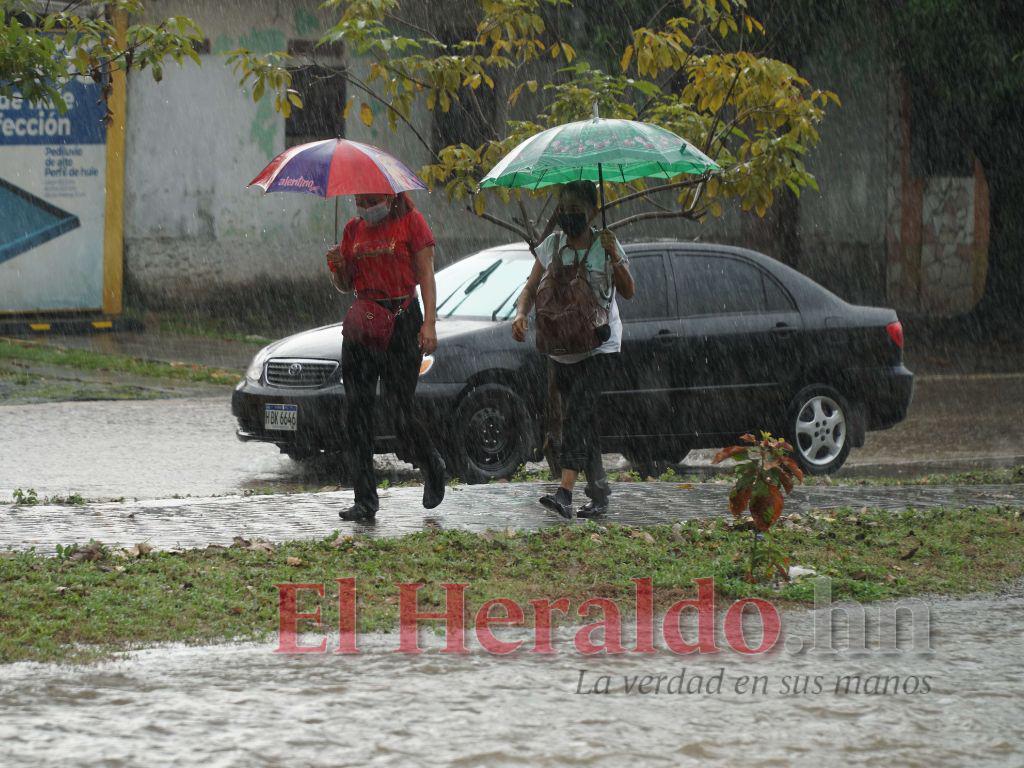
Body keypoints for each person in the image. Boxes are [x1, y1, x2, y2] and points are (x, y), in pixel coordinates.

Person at [512, 180, 636, 518]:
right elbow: (531, 286)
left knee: (579, 413)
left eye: (575, 211)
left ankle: (564, 492)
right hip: (562, 347)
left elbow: (629, 291)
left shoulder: (605, 244)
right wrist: (522, 314)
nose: (568, 217)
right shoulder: (552, 245)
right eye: (563, 210)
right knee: (582, 420)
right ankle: (598, 492)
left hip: (600, 345)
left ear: (593, 211)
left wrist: (614, 257)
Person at [325, 192, 446, 521]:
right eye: (360, 202)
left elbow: (426, 275)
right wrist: (337, 267)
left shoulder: (411, 222)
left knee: (400, 412)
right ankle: (365, 500)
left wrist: (430, 324)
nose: (365, 208)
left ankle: (432, 463)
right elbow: (345, 283)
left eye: (371, 201)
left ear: (390, 198)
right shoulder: (353, 230)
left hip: (403, 322)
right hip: (363, 325)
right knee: (357, 414)